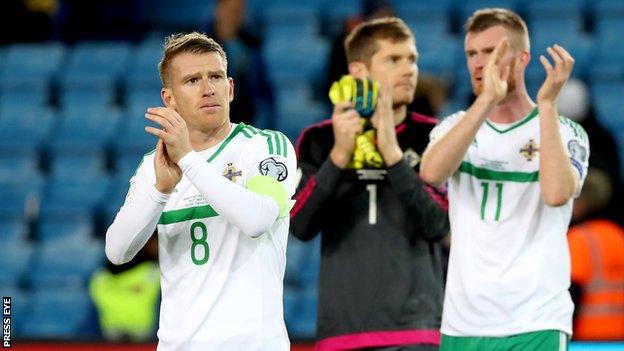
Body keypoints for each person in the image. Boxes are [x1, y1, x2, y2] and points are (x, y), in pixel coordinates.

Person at [105, 32, 297, 351]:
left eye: (216, 77)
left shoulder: (265, 146)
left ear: (230, 88)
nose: (208, 89)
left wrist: (189, 161)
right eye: (192, 80)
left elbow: (257, 220)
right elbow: (117, 251)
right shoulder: (153, 166)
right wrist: (160, 191)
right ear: (170, 99)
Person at [419, 8, 589, 351]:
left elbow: (557, 193)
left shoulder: (566, 131)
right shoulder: (453, 127)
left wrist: (547, 108)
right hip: (462, 322)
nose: (480, 63)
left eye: (492, 51)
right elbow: (431, 173)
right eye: (472, 53)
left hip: (536, 319)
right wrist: (485, 103)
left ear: (522, 58)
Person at [291, 17, 449, 351]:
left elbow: (437, 226)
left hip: (417, 331)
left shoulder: (435, 137)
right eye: (394, 60)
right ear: (360, 71)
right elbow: (300, 226)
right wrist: (338, 158)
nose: (408, 70)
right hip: (342, 332)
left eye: (412, 59)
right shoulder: (319, 140)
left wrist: (392, 155)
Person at [567, 168, 624, 340]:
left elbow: (572, 293)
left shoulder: (578, 238)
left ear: (581, 202)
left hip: (587, 336)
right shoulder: (618, 235)